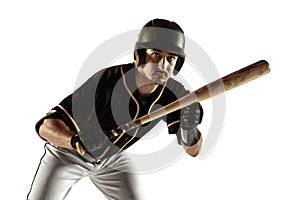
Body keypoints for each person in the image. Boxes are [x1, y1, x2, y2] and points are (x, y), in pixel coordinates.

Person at [27, 18, 204, 200]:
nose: (162, 65)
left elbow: (193, 151)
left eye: (171, 58)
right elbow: (46, 126)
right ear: (140, 55)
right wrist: (76, 141)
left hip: (112, 159)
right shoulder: (107, 81)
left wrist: (189, 129)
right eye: (156, 55)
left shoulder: (174, 94)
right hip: (68, 154)